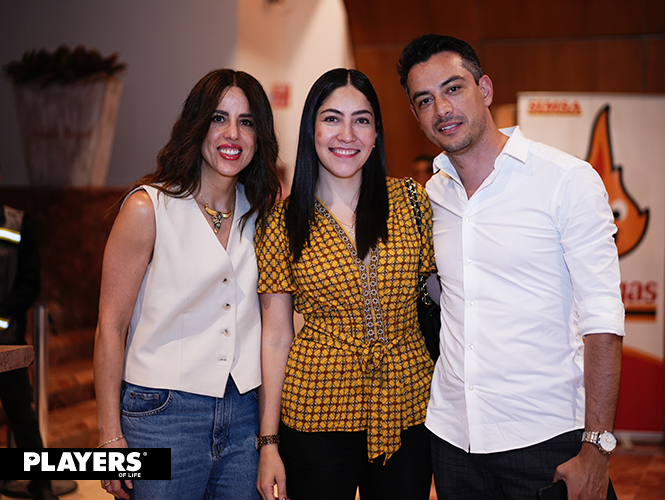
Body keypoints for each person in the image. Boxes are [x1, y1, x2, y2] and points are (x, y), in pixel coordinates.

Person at [397, 34, 624, 500]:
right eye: (425, 100)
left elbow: (603, 320)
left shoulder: (565, 180)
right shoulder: (431, 197)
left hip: (546, 436)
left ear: (484, 89)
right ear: (416, 115)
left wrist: (597, 447)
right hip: (453, 439)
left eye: (453, 88)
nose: (442, 109)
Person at [93, 69, 281, 500]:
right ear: (197, 125)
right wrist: (109, 437)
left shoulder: (263, 214)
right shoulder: (148, 207)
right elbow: (110, 326)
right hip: (162, 414)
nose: (232, 134)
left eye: (247, 122)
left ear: (259, 137)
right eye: (218, 118)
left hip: (244, 415)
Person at [255, 68, 435, 500]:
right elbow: (276, 336)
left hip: (408, 404)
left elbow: (442, 296)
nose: (347, 135)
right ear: (312, 129)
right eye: (332, 118)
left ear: (376, 133)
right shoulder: (282, 223)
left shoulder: (411, 201)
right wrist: (269, 442)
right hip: (316, 409)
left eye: (362, 120)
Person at [0, 166, 57, 500]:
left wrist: (5, 311)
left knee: (22, 414)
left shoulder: (18, 223)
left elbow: (29, 280)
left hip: (8, 340)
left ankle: (41, 484)